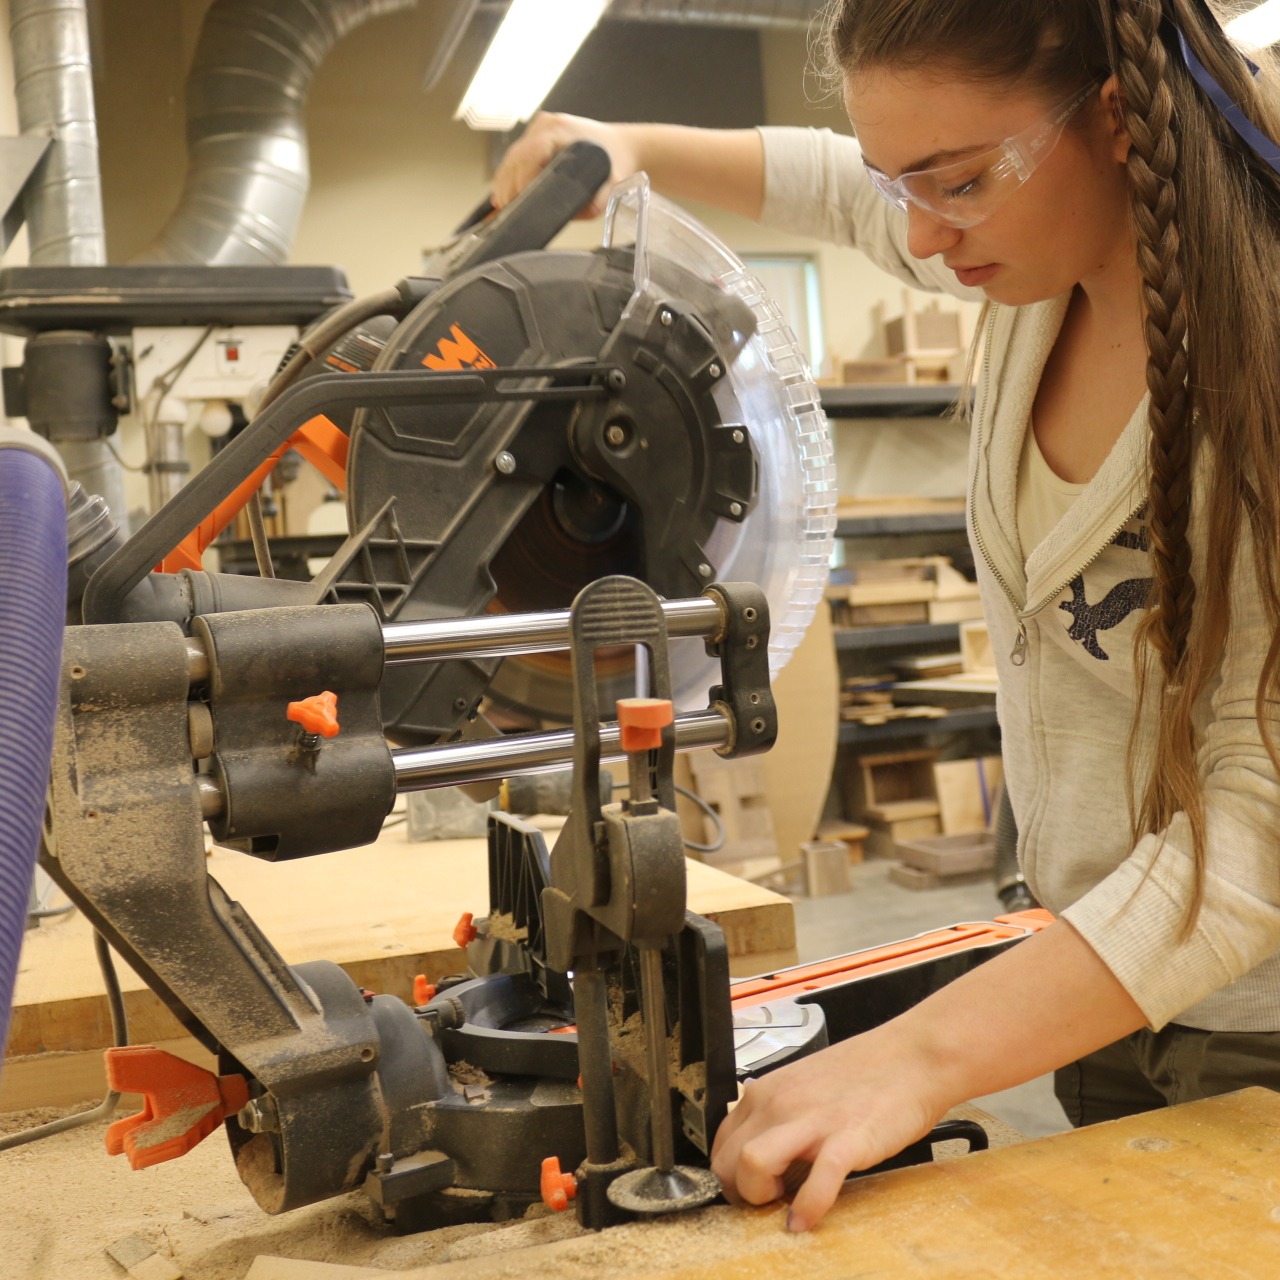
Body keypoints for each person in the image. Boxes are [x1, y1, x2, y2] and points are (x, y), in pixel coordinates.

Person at [493, 0, 1280, 1234]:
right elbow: (840, 189)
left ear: (1117, 119)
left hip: (1254, 1017)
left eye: (956, 183)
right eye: (897, 179)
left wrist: (918, 1055)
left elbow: (1260, 819)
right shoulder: (1036, 256)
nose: (919, 230)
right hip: (1089, 979)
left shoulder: (1255, 351)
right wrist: (631, 143)